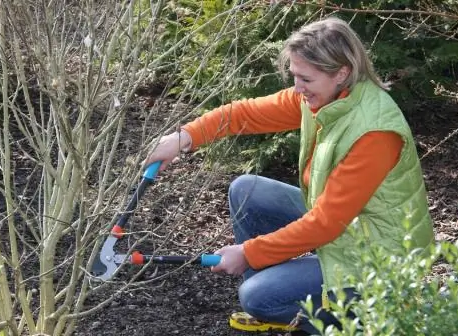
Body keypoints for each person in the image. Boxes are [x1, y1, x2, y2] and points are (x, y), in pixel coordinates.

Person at [144, 16, 434, 334]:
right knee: (248, 190)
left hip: (380, 261)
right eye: (295, 76)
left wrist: (248, 253)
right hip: (351, 230)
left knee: (257, 297)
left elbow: (326, 223)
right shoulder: (323, 98)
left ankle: (365, 321)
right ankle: (280, 301)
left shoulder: (375, 132)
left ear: (342, 72)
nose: (297, 88)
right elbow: (245, 113)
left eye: (306, 79)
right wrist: (183, 138)